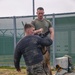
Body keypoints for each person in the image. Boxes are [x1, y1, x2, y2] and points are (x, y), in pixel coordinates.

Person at [31, 7, 54, 75]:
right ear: (36, 13)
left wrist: (51, 40)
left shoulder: (48, 22)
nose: (40, 15)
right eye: (39, 13)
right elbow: (31, 32)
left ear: (43, 13)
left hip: (46, 43)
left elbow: (52, 31)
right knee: (38, 62)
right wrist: (38, 31)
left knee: (47, 61)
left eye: (42, 13)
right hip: (37, 44)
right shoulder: (33, 22)